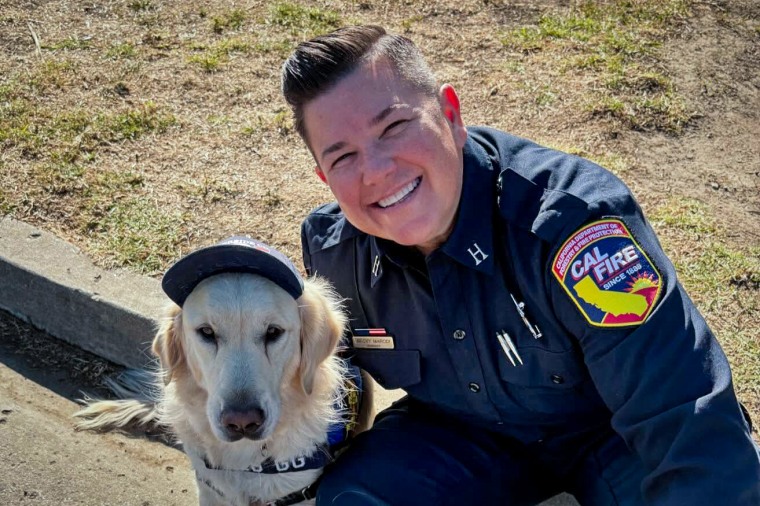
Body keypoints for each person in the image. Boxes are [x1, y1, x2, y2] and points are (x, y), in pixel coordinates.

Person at [280, 25, 760, 505]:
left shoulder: (572, 228)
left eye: (393, 127)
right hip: (459, 435)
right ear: (324, 177)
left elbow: (682, 418)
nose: (377, 170)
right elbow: (323, 386)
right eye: (343, 157)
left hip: (611, 434)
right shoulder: (333, 251)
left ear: (451, 114)